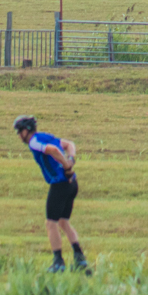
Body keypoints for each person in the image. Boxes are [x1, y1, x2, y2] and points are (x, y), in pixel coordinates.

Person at [14, 115, 86, 272]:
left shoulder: (34, 141)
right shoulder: (45, 136)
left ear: (26, 131)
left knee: (51, 223)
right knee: (63, 221)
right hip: (72, 183)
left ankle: (58, 262)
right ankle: (80, 258)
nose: (19, 135)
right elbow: (69, 144)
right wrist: (71, 159)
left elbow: (53, 150)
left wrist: (66, 165)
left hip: (60, 184)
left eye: (19, 131)